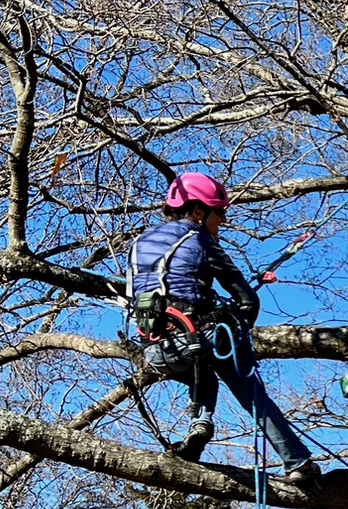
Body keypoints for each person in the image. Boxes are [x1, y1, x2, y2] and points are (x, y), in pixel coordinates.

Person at [130, 172, 317, 479]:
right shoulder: (200, 241)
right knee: (250, 391)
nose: (224, 221)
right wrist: (240, 332)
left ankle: (199, 425)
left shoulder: (139, 244)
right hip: (199, 339)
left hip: (154, 348)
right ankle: (297, 462)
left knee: (201, 374)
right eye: (221, 213)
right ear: (198, 211)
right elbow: (247, 301)